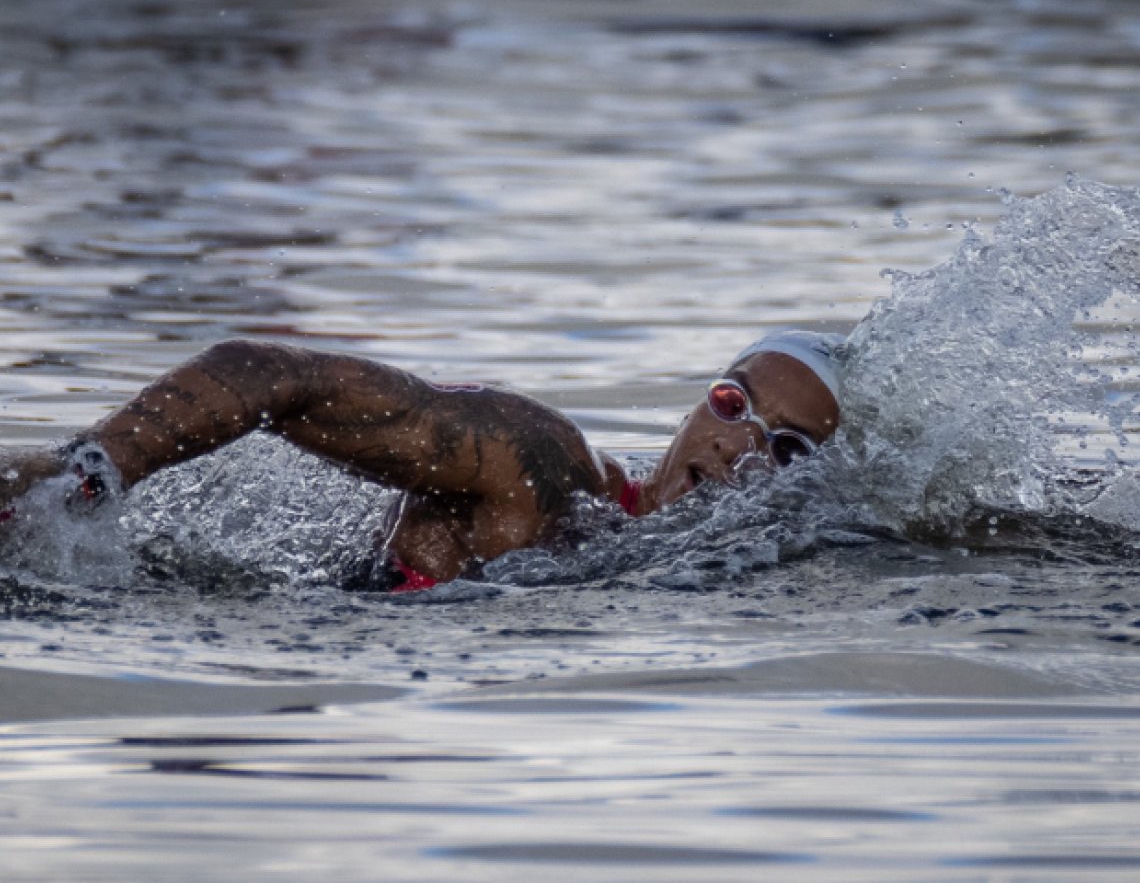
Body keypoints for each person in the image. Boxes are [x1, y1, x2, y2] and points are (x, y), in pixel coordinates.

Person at [0, 331, 843, 590]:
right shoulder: (542, 463)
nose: (742, 449)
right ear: (701, 403)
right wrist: (92, 473)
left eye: (789, 448)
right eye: (737, 405)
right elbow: (273, 372)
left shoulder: (736, 576)